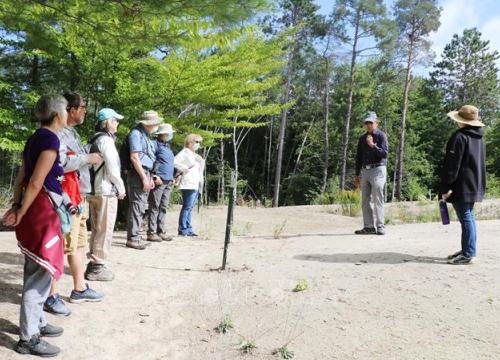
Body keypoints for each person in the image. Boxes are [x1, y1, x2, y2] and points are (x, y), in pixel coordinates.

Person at [2, 95, 68, 357]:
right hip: (41, 211)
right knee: (39, 273)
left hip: (34, 209)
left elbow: (22, 176)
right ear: (57, 115)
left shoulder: (34, 137)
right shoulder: (50, 139)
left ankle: (38, 322)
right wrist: (21, 210)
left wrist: (17, 205)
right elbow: (35, 181)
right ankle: (28, 338)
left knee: (38, 269)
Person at [44, 92, 104, 317]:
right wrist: (88, 158)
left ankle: (79, 288)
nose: (85, 110)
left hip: (78, 196)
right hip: (65, 198)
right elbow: (59, 163)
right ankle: (50, 295)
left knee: (78, 243)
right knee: (59, 246)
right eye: (83, 107)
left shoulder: (73, 133)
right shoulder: (57, 133)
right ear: (71, 110)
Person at [441, 105, 486, 265]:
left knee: (466, 217)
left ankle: (468, 253)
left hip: (462, 185)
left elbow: (452, 164)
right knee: (468, 216)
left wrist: (445, 187)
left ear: (462, 121)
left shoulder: (459, 136)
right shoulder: (479, 137)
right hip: (475, 184)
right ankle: (467, 249)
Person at [85, 108, 127, 281]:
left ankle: (93, 263)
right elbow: (112, 168)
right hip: (106, 191)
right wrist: (121, 187)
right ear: (108, 122)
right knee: (105, 229)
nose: (117, 123)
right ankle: (97, 267)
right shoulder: (106, 141)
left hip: (94, 191)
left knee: (96, 229)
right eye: (115, 120)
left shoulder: (94, 139)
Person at [125, 110, 162, 249]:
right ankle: (133, 238)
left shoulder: (145, 135)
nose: (156, 125)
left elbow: (148, 158)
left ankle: (136, 235)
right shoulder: (136, 134)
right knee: (137, 205)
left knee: (141, 206)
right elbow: (135, 157)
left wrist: (150, 177)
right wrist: (143, 177)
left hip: (145, 172)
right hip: (137, 173)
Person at [354, 111, 388, 235]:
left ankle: (380, 226)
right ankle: (368, 227)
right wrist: (357, 174)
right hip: (365, 171)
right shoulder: (362, 138)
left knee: (378, 197)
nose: (368, 125)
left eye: (371, 122)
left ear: (376, 123)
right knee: (365, 199)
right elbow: (358, 157)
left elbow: (384, 154)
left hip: (378, 169)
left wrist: (372, 145)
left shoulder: (381, 136)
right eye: (366, 123)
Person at [147, 124, 176, 242]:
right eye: (168, 133)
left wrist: (172, 177)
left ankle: (161, 231)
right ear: (162, 134)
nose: (170, 135)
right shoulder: (154, 145)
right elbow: (149, 161)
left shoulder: (167, 146)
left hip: (168, 181)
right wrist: (154, 176)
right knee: (154, 206)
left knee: (163, 207)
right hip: (159, 181)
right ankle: (151, 232)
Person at [174, 134, 205, 237]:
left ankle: (188, 228)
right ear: (190, 142)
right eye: (197, 142)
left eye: (199, 142)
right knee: (187, 207)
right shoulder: (185, 152)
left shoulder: (194, 154)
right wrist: (184, 168)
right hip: (188, 183)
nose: (198, 144)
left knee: (190, 207)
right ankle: (183, 229)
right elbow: (174, 161)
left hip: (195, 183)